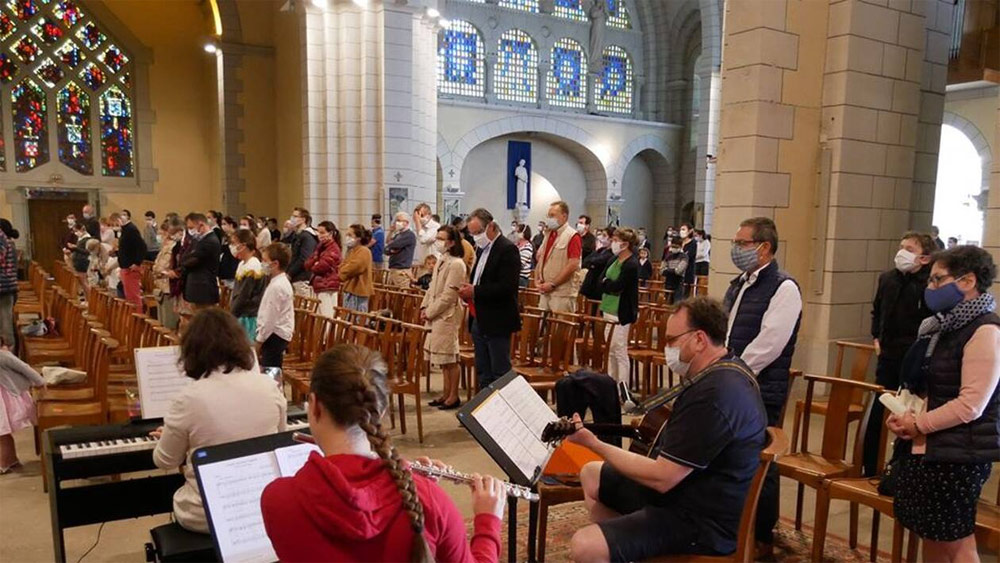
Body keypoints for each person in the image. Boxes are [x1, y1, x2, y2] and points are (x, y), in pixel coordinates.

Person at [260, 344, 505, 562]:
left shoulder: (278, 500)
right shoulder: (430, 503)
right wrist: (487, 521)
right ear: (384, 411)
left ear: (313, 407)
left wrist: (412, 485)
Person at [568, 297, 767, 561]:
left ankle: (626, 547)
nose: (667, 348)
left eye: (672, 340)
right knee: (591, 474)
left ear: (699, 339)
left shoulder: (714, 395)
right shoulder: (726, 369)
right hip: (690, 490)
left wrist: (594, 443)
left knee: (584, 545)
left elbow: (663, 477)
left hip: (702, 520)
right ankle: (630, 550)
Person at [888, 245, 1000, 563]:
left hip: (959, 454)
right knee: (933, 534)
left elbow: (971, 405)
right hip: (931, 448)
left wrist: (919, 423)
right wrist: (902, 413)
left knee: (956, 541)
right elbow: (929, 386)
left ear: (967, 281)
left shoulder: (985, 330)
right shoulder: (942, 328)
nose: (931, 288)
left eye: (938, 280)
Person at [151, 309, 286, 533]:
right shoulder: (269, 387)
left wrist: (171, 436)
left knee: (182, 496)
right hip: (263, 503)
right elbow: (279, 439)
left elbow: (164, 461)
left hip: (206, 514)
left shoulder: (189, 398)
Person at [722, 216, 802, 552]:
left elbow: (770, 343)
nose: (736, 249)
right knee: (730, 455)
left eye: (742, 243)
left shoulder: (784, 287)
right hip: (732, 380)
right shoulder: (739, 283)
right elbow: (726, 331)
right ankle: (735, 526)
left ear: (764, 247)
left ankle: (762, 534)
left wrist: (734, 370)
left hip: (759, 387)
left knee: (761, 460)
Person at [864, 231, 934, 476]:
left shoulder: (929, 284)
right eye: (901, 246)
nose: (902, 252)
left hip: (914, 358)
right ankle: (869, 465)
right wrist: (876, 336)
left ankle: (900, 467)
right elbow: (876, 310)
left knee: (907, 414)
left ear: (924, 258)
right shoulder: (888, 279)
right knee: (877, 410)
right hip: (888, 354)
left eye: (910, 249)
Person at [458, 209, 521, 389]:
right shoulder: (483, 249)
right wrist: (469, 289)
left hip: (497, 318)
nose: (475, 237)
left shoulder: (507, 249)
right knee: (483, 370)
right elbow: (479, 278)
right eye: (472, 233)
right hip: (480, 317)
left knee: (499, 371)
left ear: (491, 226)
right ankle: (484, 410)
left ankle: (503, 413)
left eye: (478, 232)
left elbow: (507, 287)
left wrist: (475, 291)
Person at [422, 226, 467, 410]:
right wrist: (424, 306)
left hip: (446, 315)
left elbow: (449, 295)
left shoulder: (457, 264)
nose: (438, 241)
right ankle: (445, 393)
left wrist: (431, 311)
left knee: (449, 358)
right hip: (435, 313)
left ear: (451, 242)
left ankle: (453, 396)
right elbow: (433, 287)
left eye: (441, 238)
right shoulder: (442, 260)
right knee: (441, 358)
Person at [599, 228, 640, 384]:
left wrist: (608, 284)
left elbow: (619, 286)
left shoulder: (631, 264)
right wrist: (608, 284)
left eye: (616, 240)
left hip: (621, 311)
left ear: (625, 244)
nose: (613, 243)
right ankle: (611, 384)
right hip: (608, 308)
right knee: (609, 349)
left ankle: (623, 387)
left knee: (619, 350)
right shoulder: (613, 260)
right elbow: (600, 281)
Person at [0, 337, 43, 474]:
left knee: (2, 433)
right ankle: (11, 459)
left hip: (6, 398)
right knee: (2, 433)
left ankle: (4, 462)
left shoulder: (3, 356)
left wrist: (40, 382)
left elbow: (24, 368)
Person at [536, 201, 582, 313]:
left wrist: (553, 284)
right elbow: (542, 258)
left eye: (552, 216)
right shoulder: (549, 234)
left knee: (559, 328)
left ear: (564, 216)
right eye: (548, 216)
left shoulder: (572, 235)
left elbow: (573, 264)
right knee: (542, 326)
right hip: (545, 290)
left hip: (562, 293)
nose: (549, 219)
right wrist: (538, 279)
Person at [257, 243, 295, 368]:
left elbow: (270, 317)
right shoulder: (278, 282)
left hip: (275, 335)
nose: (262, 264)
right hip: (275, 334)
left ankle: (274, 388)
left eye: (264, 261)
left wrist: (259, 340)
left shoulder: (277, 286)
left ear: (275, 264)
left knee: (271, 372)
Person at [230, 230, 267, 342]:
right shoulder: (242, 264)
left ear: (243, 246)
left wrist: (232, 312)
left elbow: (244, 295)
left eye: (235, 243)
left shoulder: (253, 266)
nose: (233, 247)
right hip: (240, 312)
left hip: (248, 315)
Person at [178, 213, 221, 310]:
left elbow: (191, 260)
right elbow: (185, 256)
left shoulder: (210, 241)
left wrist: (184, 261)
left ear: (201, 224)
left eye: (191, 227)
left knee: (205, 320)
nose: (190, 231)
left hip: (203, 288)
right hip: (196, 287)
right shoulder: (198, 240)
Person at [305, 221, 342, 317]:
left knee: (327, 316)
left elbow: (320, 267)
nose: (319, 235)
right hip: (320, 285)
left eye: (322, 233)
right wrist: (315, 261)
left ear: (330, 233)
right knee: (320, 315)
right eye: (318, 232)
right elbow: (307, 263)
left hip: (327, 285)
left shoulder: (333, 248)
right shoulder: (320, 246)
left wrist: (315, 263)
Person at [112, 211, 147, 311]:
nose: (114, 227)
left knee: (133, 297)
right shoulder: (125, 230)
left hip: (130, 268)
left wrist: (137, 263)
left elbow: (142, 247)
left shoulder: (131, 229)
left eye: (115, 224)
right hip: (125, 267)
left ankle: (137, 319)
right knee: (129, 296)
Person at [153, 219, 183, 330]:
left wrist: (158, 271)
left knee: (169, 323)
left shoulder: (171, 247)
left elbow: (161, 267)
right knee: (162, 322)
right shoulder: (164, 248)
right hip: (161, 286)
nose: (159, 236)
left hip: (168, 287)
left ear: (166, 233)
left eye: (160, 234)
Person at [339, 225, 374, 312]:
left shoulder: (364, 251)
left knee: (356, 318)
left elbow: (354, 267)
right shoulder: (352, 250)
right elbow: (343, 265)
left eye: (350, 235)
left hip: (358, 290)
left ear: (358, 238)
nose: (347, 237)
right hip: (350, 289)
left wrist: (341, 271)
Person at [287, 207, 319, 296]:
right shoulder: (297, 235)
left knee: (302, 306)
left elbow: (304, 258)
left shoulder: (307, 236)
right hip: (296, 277)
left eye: (295, 216)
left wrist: (290, 273)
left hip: (302, 277)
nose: (292, 219)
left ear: (303, 219)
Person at [580, 226, 616, 302]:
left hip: (598, 287)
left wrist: (593, 264)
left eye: (604, 235)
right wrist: (592, 265)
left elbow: (598, 261)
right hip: (590, 284)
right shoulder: (600, 250)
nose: (602, 237)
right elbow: (586, 261)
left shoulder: (612, 254)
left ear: (611, 238)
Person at [385, 212, 416, 288]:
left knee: (402, 295)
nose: (397, 223)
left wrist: (389, 247)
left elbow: (393, 245)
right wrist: (391, 232)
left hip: (401, 270)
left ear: (407, 222)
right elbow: (387, 246)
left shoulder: (409, 235)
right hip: (394, 268)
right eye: (396, 220)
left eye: (400, 220)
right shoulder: (398, 234)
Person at [0, 222, 17, 361]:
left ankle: (10, 361)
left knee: (6, 327)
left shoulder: (0, 237)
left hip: (3, 287)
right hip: (5, 286)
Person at [661, 237, 688, 304]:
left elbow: (679, 271)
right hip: (668, 282)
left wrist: (668, 270)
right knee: (667, 303)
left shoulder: (684, 257)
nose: (674, 248)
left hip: (678, 283)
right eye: (673, 246)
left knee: (677, 304)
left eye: (676, 246)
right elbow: (661, 271)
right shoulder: (668, 256)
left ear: (680, 246)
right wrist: (672, 270)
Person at [218, 217, 240, 289]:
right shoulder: (225, 237)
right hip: (225, 265)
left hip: (232, 265)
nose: (223, 226)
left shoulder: (236, 236)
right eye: (222, 224)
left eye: (225, 224)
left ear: (231, 225)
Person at [679, 224, 697, 297]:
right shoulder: (679, 242)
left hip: (688, 270)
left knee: (685, 294)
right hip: (677, 271)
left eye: (684, 229)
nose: (681, 231)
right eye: (681, 229)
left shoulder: (693, 243)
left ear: (689, 231)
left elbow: (689, 256)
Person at [515, 223, 534, 288]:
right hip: (514, 276)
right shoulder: (516, 245)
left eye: (518, 232)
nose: (517, 234)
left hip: (522, 278)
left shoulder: (528, 247)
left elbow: (520, 264)